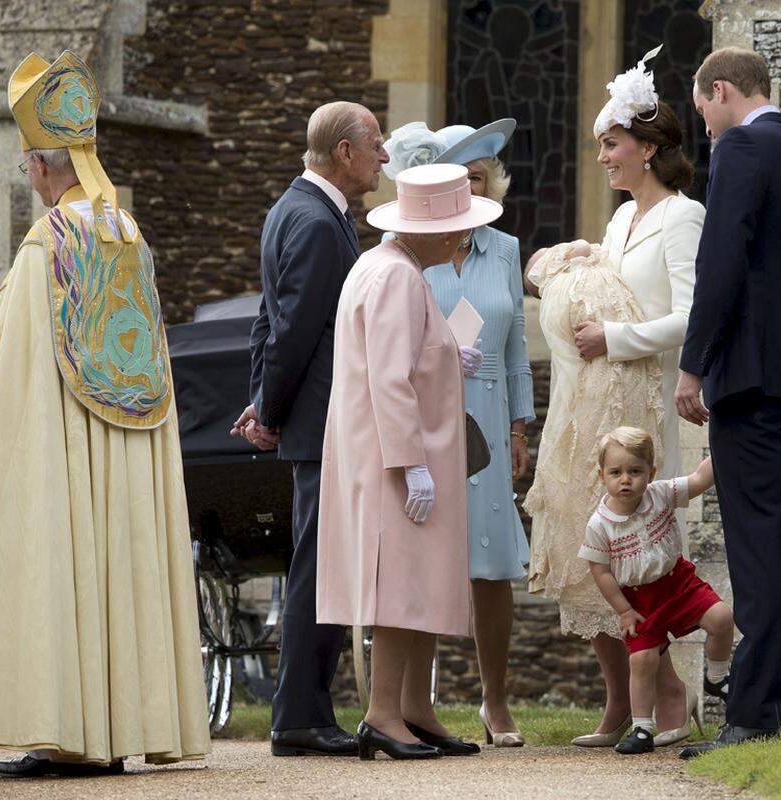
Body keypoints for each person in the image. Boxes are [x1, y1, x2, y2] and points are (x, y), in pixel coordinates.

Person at [0, 50, 209, 777]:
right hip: (131, 443)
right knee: (122, 561)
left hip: (65, 444)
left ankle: (69, 732)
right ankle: (123, 727)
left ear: (36, 165)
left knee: (65, 557)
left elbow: (13, 366)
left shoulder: (46, 245)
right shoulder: (128, 235)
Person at [525, 45, 707, 749]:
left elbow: (694, 315)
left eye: (612, 144)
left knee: (638, 557)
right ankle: (624, 701)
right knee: (590, 551)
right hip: (596, 408)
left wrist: (616, 337)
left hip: (644, 409)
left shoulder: (683, 218)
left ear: (650, 147)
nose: (602, 157)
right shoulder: (620, 220)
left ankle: (664, 699)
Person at [674, 47, 781, 759]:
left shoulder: (741, 147)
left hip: (749, 374)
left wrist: (693, 365)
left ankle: (753, 716)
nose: (702, 121)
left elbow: (722, 262)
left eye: (703, 104)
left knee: (758, 545)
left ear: (725, 91)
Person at [316, 162, 498, 760]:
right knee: (399, 587)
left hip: (406, 452)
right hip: (398, 458)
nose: (462, 238)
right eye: (455, 226)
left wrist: (448, 356)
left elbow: (407, 356)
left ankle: (415, 708)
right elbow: (390, 380)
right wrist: (410, 463)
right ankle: (384, 714)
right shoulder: (395, 275)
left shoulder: (392, 267)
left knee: (419, 583)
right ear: (427, 230)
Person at [231, 100, 388, 757]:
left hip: (308, 417)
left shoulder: (289, 208)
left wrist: (263, 403)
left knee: (319, 564)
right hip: (326, 422)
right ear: (344, 153)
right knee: (319, 569)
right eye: (376, 144)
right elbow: (292, 330)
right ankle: (299, 717)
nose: (384, 156)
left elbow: (268, 320)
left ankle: (305, 712)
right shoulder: (319, 223)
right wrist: (269, 412)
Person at [382, 119, 533, 746]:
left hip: (492, 414)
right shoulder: (407, 246)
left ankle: (495, 703)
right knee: (427, 555)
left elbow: (518, 341)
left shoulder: (505, 249)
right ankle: (419, 701)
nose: (466, 188)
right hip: (429, 412)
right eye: (456, 177)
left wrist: (522, 425)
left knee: (491, 565)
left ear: (489, 183)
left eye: (476, 177)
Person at [578, 428, 733, 756]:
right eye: (616, 472)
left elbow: (698, 480)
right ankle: (642, 728)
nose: (626, 480)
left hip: (678, 584)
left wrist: (727, 442)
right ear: (601, 475)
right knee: (643, 660)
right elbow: (600, 571)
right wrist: (623, 610)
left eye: (635, 472)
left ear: (651, 472)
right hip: (638, 599)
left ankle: (717, 676)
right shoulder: (600, 524)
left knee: (721, 617)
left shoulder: (661, 494)